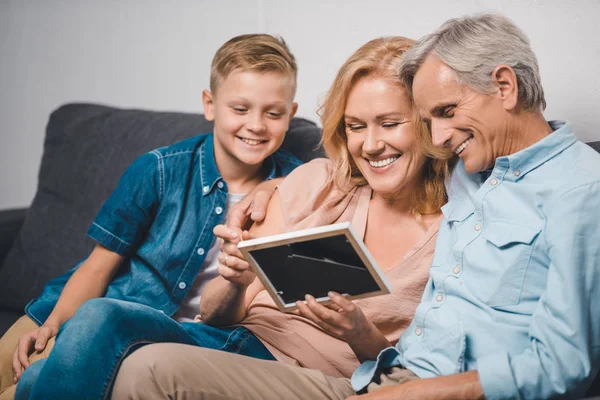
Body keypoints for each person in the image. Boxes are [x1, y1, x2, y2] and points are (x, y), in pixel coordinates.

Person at [112, 13, 600, 400]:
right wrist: (267, 186)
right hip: (382, 374)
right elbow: (351, 166)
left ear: (505, 87)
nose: (440, 136)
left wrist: (415, 394)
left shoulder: (579, 192)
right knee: (130, 353)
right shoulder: (473, 171)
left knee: (139, 362)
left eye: (445, 114)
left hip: (416, 391)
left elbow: (565, 365)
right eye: (429, 119)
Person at [27, 35, 453, 400]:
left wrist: (359, 331)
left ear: (423, 120)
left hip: (299, 370)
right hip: (231, 336)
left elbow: (418, 373)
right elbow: (219, 316)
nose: (371, 144)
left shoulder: (453, 235)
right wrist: (235, 279)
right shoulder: (321, 181)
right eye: (356, 126)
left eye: (390, 123)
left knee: (97, 372)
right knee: (98, 318)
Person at [0, 33, 303, 400]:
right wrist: (54, 324)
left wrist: (279, 184)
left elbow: (339, 178)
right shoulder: (159, 170)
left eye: (273, 113)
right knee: (14, 366)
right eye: (240, 109)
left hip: (179, 338)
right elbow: (98, 267)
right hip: (100, 306)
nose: (256, 125)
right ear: (210, 105)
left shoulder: (298, 186)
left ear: (291, 114)